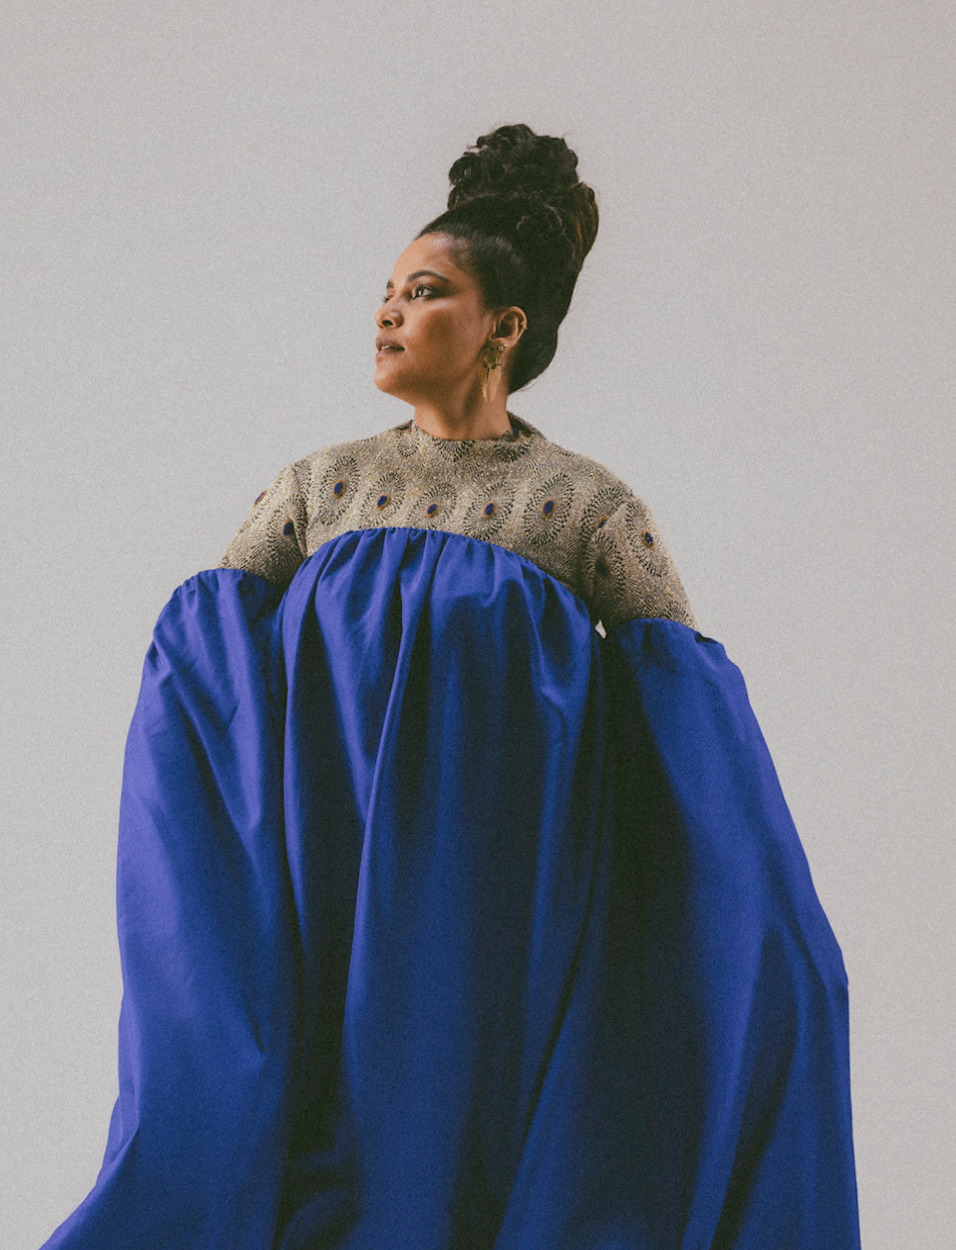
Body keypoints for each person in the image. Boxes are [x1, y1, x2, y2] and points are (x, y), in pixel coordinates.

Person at [40, 126, 860, 1249]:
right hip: (325, 896)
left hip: (500, 924)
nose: (385, 311)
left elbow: (693, 735)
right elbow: (203, 677)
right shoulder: (318, 489)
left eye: (422, 292)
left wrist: (770, 939)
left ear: (500, 329)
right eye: (384, 290)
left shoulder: (583, 510)